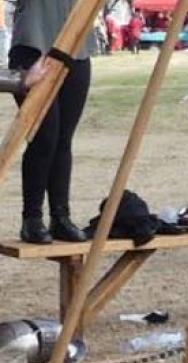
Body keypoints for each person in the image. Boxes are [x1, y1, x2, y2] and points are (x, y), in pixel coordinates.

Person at [8, 0, 96, 244]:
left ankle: (61, 217)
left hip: (77, 48)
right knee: (44, 137)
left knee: (63, 140)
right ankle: (32, 219)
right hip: (33, 46)